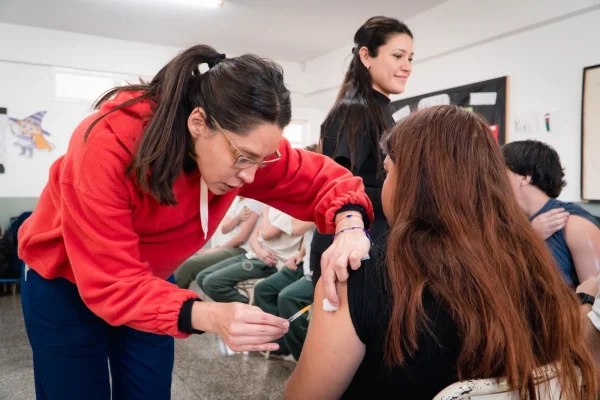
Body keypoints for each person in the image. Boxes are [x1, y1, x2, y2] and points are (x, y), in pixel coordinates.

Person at [18, 44, 372, 400]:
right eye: (243, 158)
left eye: (262, 161)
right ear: (198, 123)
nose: (250, 177)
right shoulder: (106, 146)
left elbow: (326, 180)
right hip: (65, 281)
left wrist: (350, 227)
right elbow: (112, 282)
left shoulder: (243, 148)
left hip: (149, 280)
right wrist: (212, 316)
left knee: (148, 391)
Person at [284, 106, 598, 400]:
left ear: (413, 183)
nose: (385, 186)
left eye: (388, 172)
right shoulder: (536, 272)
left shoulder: (356, 282)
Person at [310, 16, 413, 291]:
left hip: (375, 243)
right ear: (366, 56)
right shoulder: (353, 112)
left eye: (411, 58)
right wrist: (409, 195)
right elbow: (339, 187)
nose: (407, 66)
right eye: (398, 56)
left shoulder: (380, 112)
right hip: (352, 249)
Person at [502, 140, 600, 287]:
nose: (494, 179)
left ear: (524, 178)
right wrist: (531, 235)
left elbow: (596, 301)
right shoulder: (510, 224)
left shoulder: (575, 225)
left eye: (501, 171)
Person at [197, 206, 313, 303]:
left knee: (212, 283)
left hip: (272, 262)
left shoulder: (289, 209)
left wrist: (266, 211)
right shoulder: (272, 207)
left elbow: (266, 233)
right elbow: (254, 236)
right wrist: (259, 251)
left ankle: (248, 310)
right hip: (255, 254)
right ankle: (241, 311)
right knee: (202, 277)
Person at [253, 225, 316, 361]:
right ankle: (282, 343)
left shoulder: (325, 206)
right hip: (304, 264)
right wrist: (301, 254)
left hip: (320, 271)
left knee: (288, 298)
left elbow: (297, 228)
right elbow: (309, 234)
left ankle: (304, 359)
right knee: (263, 289)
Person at [174, 196, 263, 289]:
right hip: (229, 247)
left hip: (241, 250)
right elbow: (224, 229)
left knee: (190, 264)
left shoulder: (252, 203)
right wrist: (238, 218)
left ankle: (172, 298)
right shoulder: (236, 202)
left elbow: (241, 238)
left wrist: (217, 249)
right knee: (186, 257)